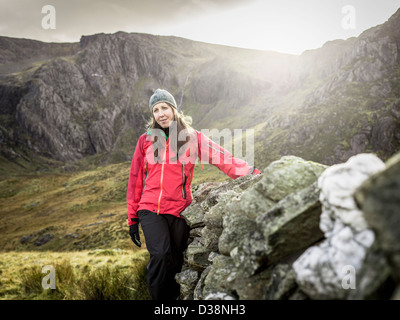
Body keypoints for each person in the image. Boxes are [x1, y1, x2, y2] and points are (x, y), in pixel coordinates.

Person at [127, 88, 261, 300]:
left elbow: (221, 157)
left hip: (179, 209)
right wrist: (132, 218)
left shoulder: (192, 137)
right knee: (161, 255)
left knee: (175, 261)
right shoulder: (145, 140)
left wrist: (250, 173)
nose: (160, 114)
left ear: (173, 109)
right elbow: (135, 179)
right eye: (155, 110)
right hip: (150, 208)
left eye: (164, 108)